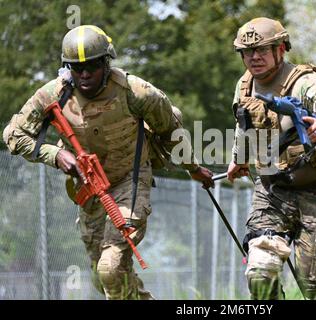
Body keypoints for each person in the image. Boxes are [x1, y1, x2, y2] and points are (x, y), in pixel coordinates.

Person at [2, 25, 213, 300]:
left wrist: (194, 169)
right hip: (89, 192)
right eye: (77, 68)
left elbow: (172, 133)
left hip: (130, 183)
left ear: (106, 62)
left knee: (110, 268)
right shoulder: (55, 93)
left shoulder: (136, 92)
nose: (85, 74)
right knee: (103, 279)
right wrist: (55, 155)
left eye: (91, 66)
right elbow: (13, 135)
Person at [226, 17, 316, 300]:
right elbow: (244, 125)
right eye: (247, 52)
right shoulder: (244, 85)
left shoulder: (306, 83)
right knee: (260, 274)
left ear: (281, 49)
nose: (254, 57)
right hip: (272, 190)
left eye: (262, 50)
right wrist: (238, 159)